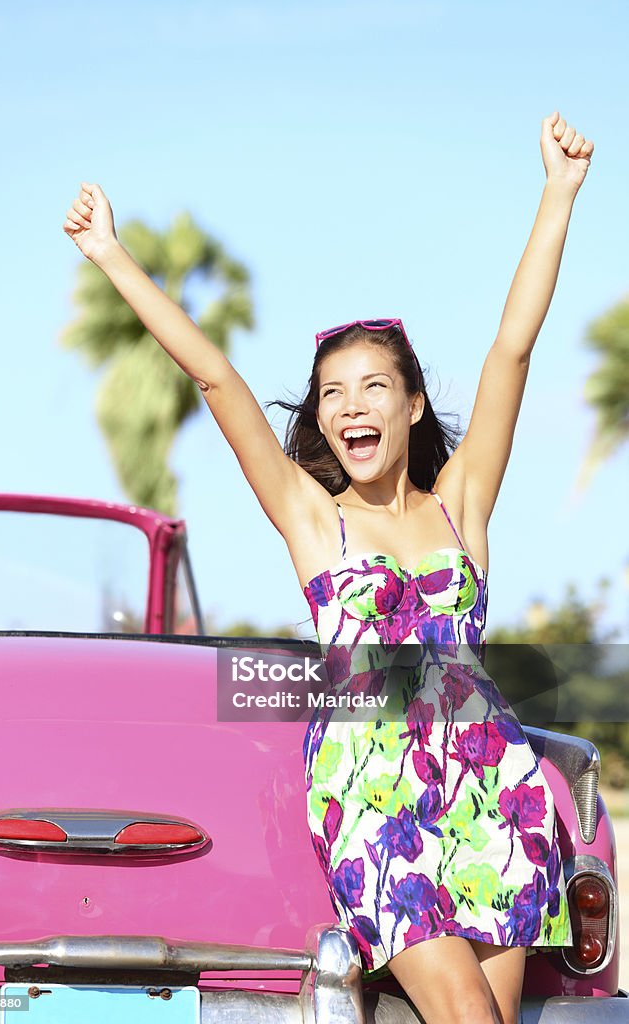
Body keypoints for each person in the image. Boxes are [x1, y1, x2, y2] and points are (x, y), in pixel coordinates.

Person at [64, 110, 593, 1024]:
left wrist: (557, 194)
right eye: (332, 394)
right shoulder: (313, 519)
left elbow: (511, 348)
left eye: (373, 388)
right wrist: (111, 256)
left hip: (494, 787)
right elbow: (218, 382)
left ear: (414, 405)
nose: (350, 406)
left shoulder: (457, 505)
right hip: (374, 796)